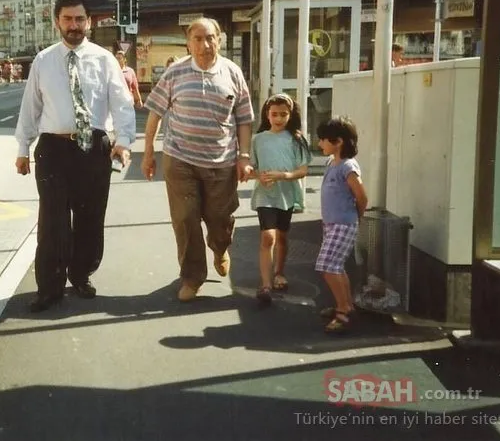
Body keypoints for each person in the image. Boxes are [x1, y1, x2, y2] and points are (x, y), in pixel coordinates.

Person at [15, 0, 136, 313]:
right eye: (67, 19)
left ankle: (81, 274)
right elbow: (31, 107)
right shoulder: (43, 60)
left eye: (79, 19)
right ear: (57, 22)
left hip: (93, 148)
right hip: (54, 148)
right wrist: (22, 147)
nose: (74, 25)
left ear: (89, 22)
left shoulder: (104, 60)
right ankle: (49, 287)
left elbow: (121, 103)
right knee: (52, 220)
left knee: (90, 217)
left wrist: (123, 141)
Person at [141, 17, 255, 302]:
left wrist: (243, 156)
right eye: (198, 39)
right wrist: (148, 153)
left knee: (219, 218)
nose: (205, 45)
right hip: (180, 158)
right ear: (189, 42)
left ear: (220, 40)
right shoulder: (175, 73)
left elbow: (244, 119)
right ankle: (192, 277)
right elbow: (154, 114)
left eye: (211, 38)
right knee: (185, 219)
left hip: (221, 162)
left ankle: (219, 247)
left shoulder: (232, 72)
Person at [250, 94, 312, 307]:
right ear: (266, 114)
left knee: (282, 237)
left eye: (283, 114)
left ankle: (279, 273)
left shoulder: (297, 139)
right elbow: (252, 168)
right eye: (274, 114)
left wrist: (282, 175)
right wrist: (258, 175)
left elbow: (303, 170)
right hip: (265, 194)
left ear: (291, 114)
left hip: (287, 195)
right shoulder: (258, 139)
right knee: (268, 237)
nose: (278, 118)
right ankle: (265, 284)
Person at [315, 116, 368, 334]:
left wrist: (355, 216)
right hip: (332, 223)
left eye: (323, 140)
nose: (319, 144)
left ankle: (343, 310)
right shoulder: (333, 163)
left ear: (338, 142)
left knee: (326, 265)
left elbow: (361, 196)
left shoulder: (347, 166)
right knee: (336, 266)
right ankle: (345, 304)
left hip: (343, 224)